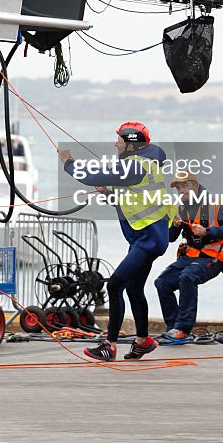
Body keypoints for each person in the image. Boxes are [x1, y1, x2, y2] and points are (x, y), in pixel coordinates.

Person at [59, 121, 171, 362]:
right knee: (133, 288)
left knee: (114, 285)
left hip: (147, 239)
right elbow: (133, 201)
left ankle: (109, 345)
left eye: (119, 140)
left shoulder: (136, 166)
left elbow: (89, 175)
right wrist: (109, 194)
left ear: (130, 144)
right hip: (147, 238)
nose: (115, 143)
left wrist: (68, 162)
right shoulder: (139, 165)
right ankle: (143, 341)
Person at [155, 172, 223, 344]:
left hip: (214, 257)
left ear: (195, 187)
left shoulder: (217, 204)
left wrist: (207, 232)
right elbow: (170, 237)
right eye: (178, 188)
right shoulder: (180, 208)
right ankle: (173, 329)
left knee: (188, 277)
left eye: (184, 187)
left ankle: (183, 330)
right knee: (162, 282)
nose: (180, 191)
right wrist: (174, 226)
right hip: (190, 257)